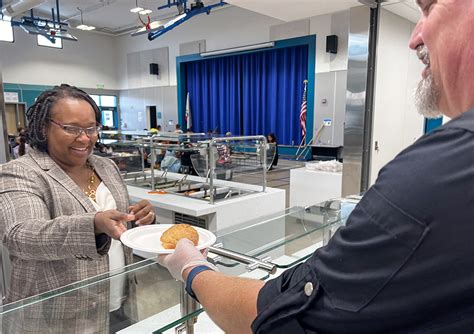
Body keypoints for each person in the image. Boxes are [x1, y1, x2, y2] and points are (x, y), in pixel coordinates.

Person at [158, 1, 474, 333]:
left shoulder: (435, 176)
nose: (414, 38)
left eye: (428, 7)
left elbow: (271, 317)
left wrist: (193, 270)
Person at [0, 84, 156, 332]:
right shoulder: (21, 172)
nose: (84, 138)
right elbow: (21, 235)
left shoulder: (106, 167)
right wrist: (92, 224)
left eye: (91, 128)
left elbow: (117, 223)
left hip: (117, 303)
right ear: (43, 127)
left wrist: (140, 217)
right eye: (71, 128)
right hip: (57, 317)